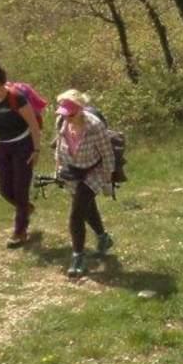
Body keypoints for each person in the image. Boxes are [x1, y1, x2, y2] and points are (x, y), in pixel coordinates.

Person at [53, 89, 116, 278]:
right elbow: (59, 146)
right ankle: (104, 238)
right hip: (72, 171)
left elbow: (107, 154)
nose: (67, 118)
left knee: (76, 214)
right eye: (64, 113)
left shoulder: (95, 126)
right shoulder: (61, 121)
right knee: (87, 208)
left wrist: (107, 181)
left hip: (93, 172)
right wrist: (58, 168)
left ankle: (78, 257)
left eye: (70, 114)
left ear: (80, 109)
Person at [0, 64, 41, 247]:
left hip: (23, 146)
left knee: (21, 191)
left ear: (1, 83)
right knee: (4, 190)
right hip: (2, 147)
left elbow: (34, 125)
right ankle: (26, 209)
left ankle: (20, 232)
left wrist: (36, 150)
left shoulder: (16, 98)